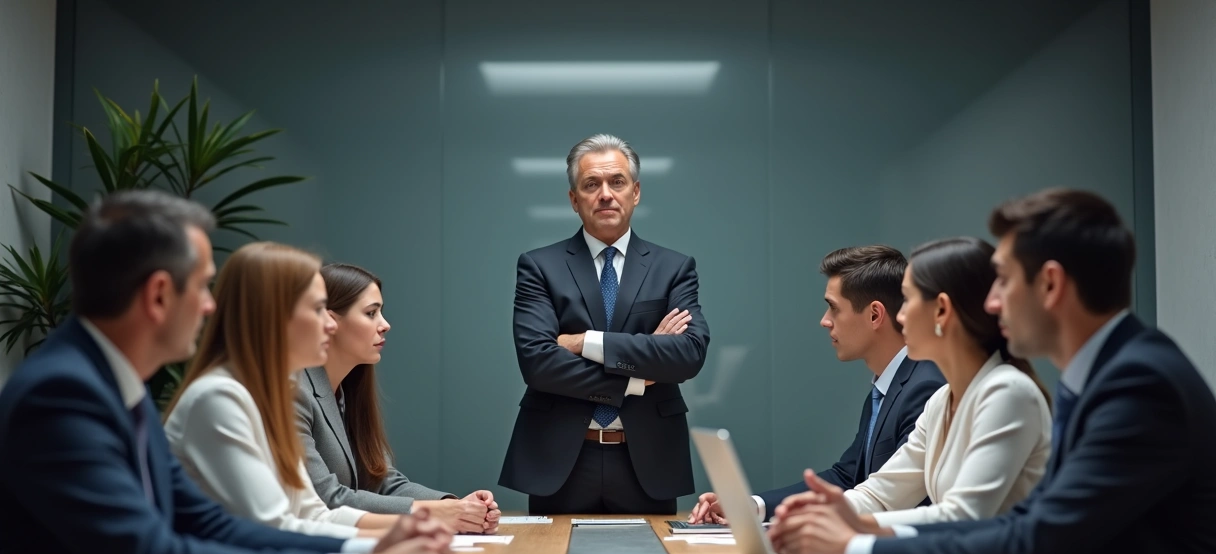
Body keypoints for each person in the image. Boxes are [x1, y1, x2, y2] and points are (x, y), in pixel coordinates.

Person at [0, 191, 452, 554]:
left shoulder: (116, 383)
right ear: (159, 295)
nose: (211, 306)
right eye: (201, 286)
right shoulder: (62, 393)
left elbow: (208, 524)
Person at [767, 188, 1216, 554]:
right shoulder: (1108, 375)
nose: (992, 302)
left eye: (1002, 280)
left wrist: (853, 548)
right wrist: (852, 528)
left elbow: (1033, 541)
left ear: (1051, 285)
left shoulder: (1138, 383)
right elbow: (1024, 524)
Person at [499, 133, 710, 515]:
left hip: (648, 458)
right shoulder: (538, 266)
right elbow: (539, 363)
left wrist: (586, 342)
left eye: (617, 182)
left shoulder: (674, 268)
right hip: (560, 457)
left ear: (636, 192)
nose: (606, 194)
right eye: (591, 185)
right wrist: (636, 376)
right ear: (574, 200)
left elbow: (687, 355)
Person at [165, 243, 407, 538]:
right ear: (275, 315)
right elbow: (274, 527)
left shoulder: (273, 393)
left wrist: (417, 526)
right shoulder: (219, 398)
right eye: (318, 309)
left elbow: (313, 513)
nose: (331, 324)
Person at [690, 246, 944, 524]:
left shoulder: (925, 387)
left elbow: (894, 500)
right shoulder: (887, 388)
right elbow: (846, 477)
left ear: (874, 315)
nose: (824, 321)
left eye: (834, 308)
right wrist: (752, 506)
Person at [830, 237, 1052, 528]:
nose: (899, 315)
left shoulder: (1007, 393)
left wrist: (851, 531)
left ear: (941, 311)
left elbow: (962, 517)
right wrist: (815, 513)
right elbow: (880, 496)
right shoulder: (941, 400)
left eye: (907, 300)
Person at [296, 263, 500, 533]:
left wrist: (456, 505)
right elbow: (327, 500)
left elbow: (382, 481)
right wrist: (439, 513)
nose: (385, 325)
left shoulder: (347, 390)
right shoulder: (294, 393)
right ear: (331, 322)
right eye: (371, 313)